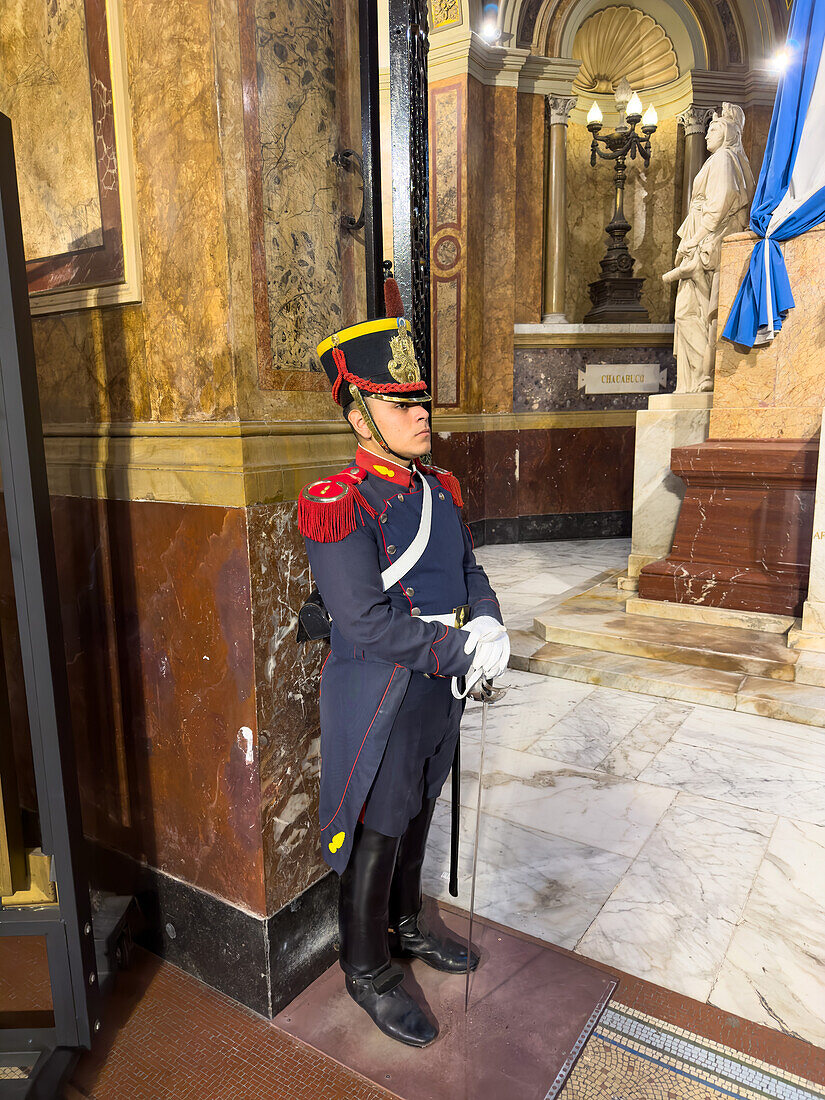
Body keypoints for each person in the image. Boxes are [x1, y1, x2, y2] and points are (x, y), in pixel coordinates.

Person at [297, 312, 509, 1047]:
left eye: (421, 402)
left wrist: (488, 621)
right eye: (400, 404)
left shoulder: (439, 487)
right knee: (377, 829)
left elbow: (469, 571)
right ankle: (367, 969)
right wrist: (461, 652)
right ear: (358, 416)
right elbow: (365, 624)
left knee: (419, 808)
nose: (421, 414)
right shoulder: (339, 503)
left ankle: (409, 925)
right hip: (381, 691)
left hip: (435, 689)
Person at [663, 102, 754, 392]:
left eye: (713, 129)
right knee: (698, 312)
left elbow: (721, 201)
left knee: (692, 312)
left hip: (707, 243)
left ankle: (706, 373)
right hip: (704, 239)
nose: (705, 135)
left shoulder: (724, 159)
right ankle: (700, 375)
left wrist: (693, 238)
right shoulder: (726, 160)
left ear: (726, 132)